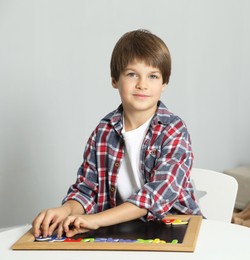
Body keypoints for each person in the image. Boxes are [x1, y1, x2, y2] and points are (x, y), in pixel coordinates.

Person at [32, 29, 201, 238]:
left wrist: (95, 220)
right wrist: (66, 210)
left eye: (153, 76)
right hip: (122, 233)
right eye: (132, 74)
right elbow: (87, 190)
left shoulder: (173, 130)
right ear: (115, 80)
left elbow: (155, 196)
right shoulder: (103, 131)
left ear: (164, 83)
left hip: (175, 229)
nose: (142, 84)